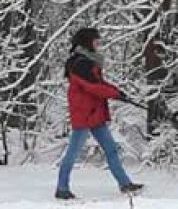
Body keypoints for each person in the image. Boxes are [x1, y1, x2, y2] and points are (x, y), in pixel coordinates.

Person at [55, 27, 144, 200]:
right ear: (87, 42)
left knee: (111, 150)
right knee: (72, 154)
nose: (99, 44)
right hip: (84, 115)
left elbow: (99, 83)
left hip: (95, 114)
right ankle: (62, 188)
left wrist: (118, 92)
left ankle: (125, 183)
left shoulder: (89, 62)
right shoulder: (79, 64)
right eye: (96, 41)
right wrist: (115, 94)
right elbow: (93, 87)